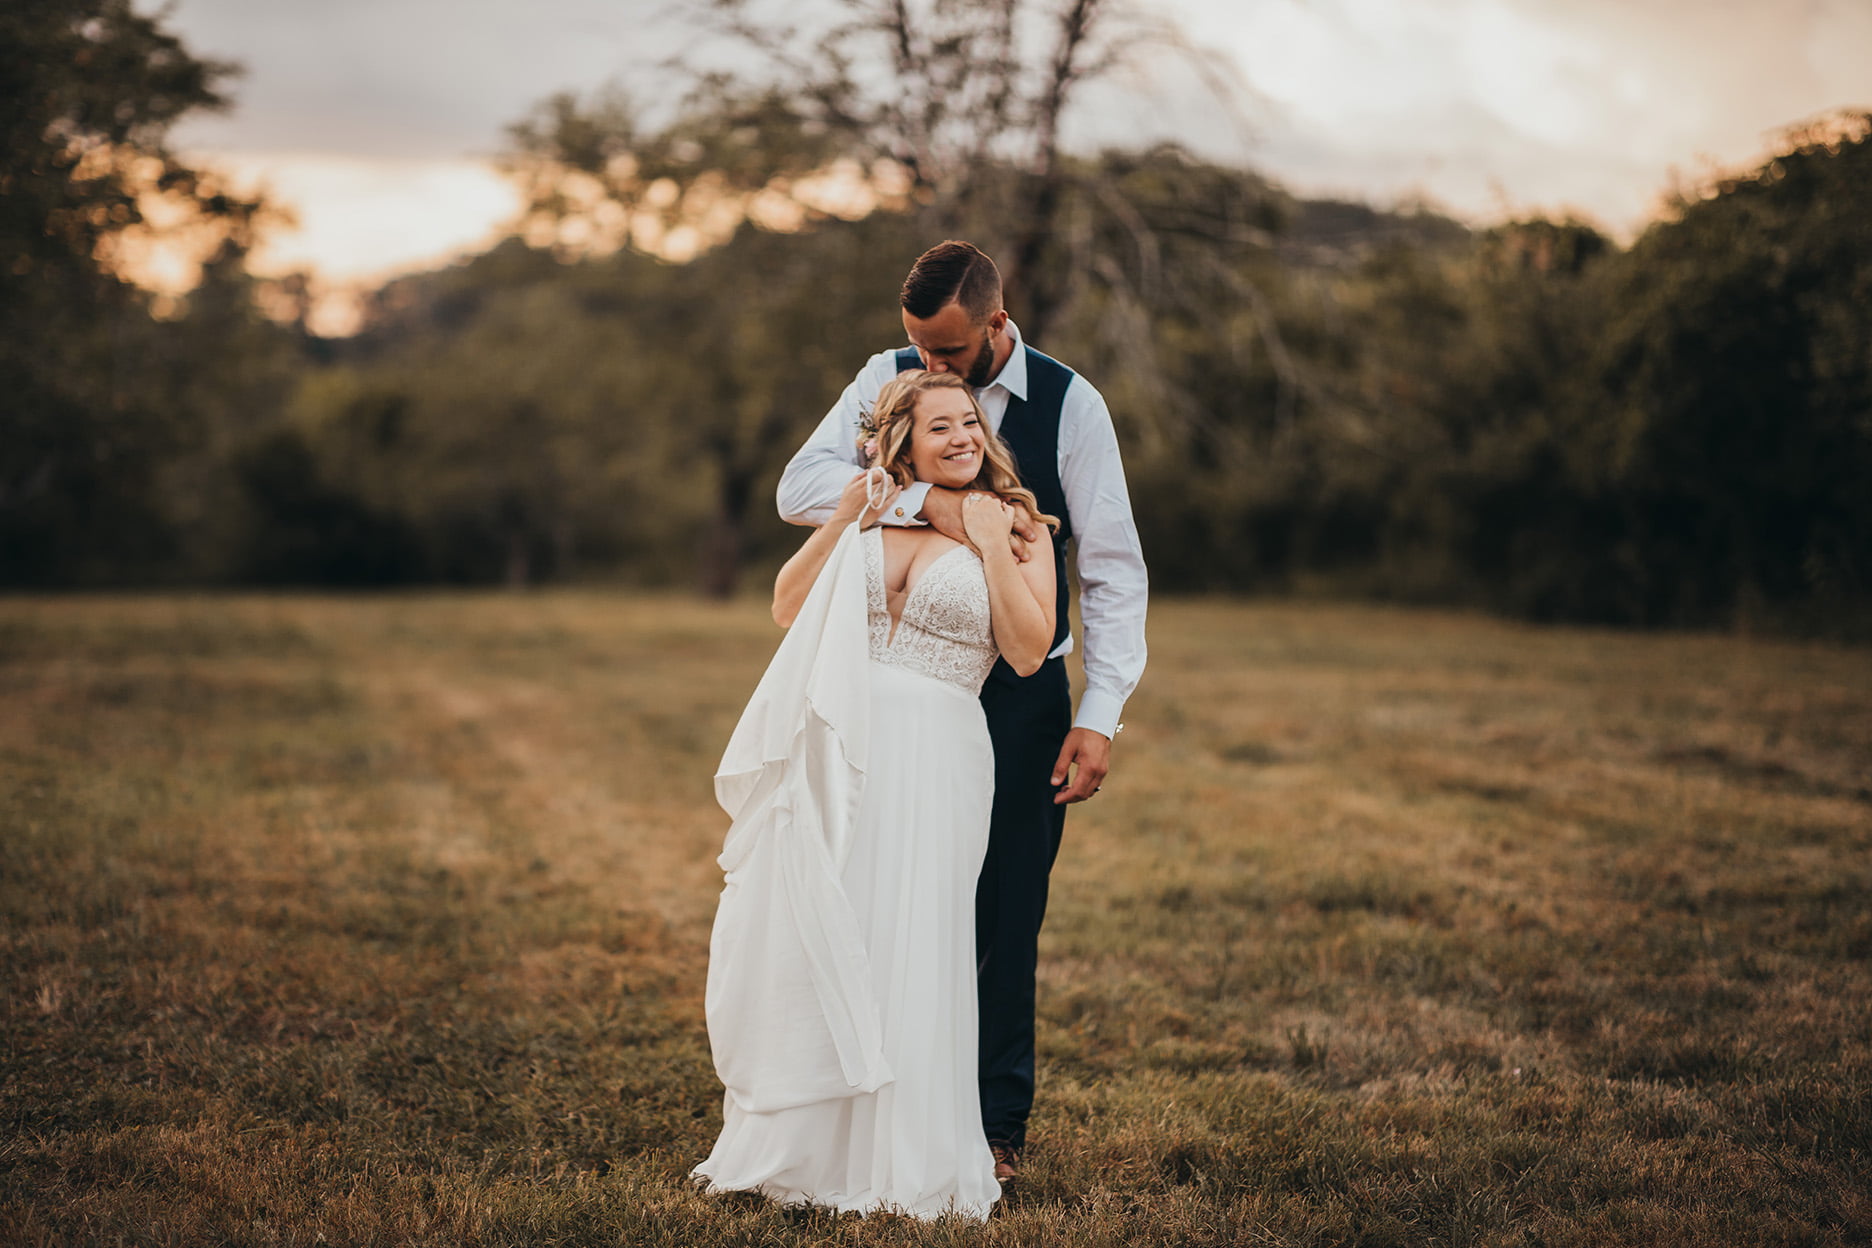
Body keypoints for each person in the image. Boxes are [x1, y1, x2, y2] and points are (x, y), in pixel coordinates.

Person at [776, 241, 1148, 1178]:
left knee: (1006, 905)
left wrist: (1098, 713)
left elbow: (1108, 569)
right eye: (916, 348)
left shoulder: (1073, 404)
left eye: (946, 352)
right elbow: (800, 488)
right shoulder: (889, 374)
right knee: (883, 883)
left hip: (1020, 691)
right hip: (900, 681)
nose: (928, 366)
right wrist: (926, 503)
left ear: (995, 322)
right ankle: (865, 1094)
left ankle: (993, 1127)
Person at [693, 370, 1058, 1219]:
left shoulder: (1023, 525)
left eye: (970, 422)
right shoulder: (871, 511)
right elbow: (787, 606)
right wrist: (854, 512)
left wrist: (989, 540)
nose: (964, 437)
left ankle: (905, 1153)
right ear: (904, 445)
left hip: (939, 752)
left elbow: (1030, 649)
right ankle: (806, 1151)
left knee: (915, 933)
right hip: (841, 749)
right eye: (941, 428)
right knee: (832, 924)